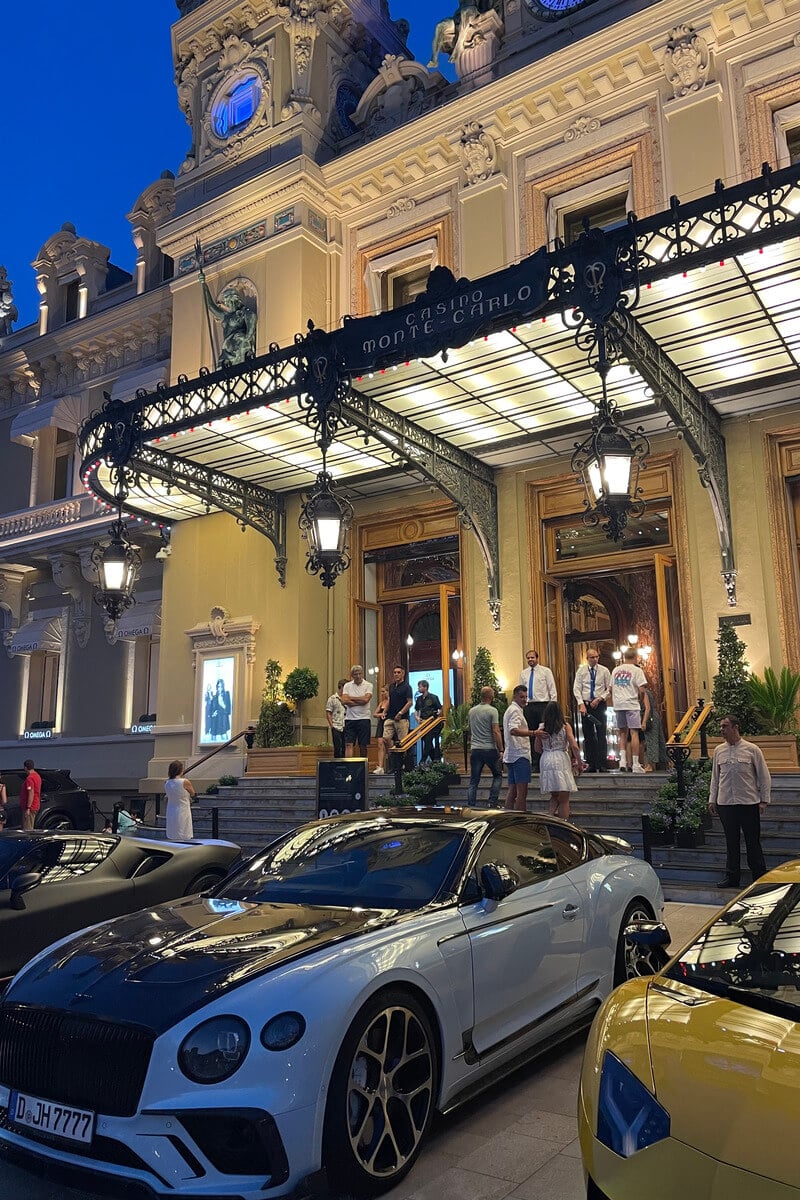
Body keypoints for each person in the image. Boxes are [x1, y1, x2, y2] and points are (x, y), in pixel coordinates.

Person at [709, 714, 770, 888]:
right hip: (726, 804)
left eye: (725, 726)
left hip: (748, 802)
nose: (722, 730)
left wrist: (764, 800)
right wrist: (712, 799)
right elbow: (715, 777)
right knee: (731, 842)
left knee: (752, 841)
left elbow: (764, 777)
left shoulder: (752, 749)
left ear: (735, 727)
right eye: (721, 727)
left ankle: (758, 876)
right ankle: (732, 876)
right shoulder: (719, 750)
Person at [534, 701, 582, 821]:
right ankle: (563, 825)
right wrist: (579, 762)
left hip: (546, 758)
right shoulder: (565, 726)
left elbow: (537, 748)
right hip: (560, 758)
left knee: (555, 795)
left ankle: (549, 819)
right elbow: (574, 746)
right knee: (564, 798)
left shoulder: (541, 728)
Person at [572, 648, 612, 772]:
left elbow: (609, 688)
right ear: (587, 658)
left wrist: (600, 698)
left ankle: (602, 763)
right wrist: (581, 704)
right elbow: (576, 688)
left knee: (601, 733)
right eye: (592, 657)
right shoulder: (581, 671)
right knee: (588, 734)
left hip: (599, 705)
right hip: (586, 705)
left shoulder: (604, 670)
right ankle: (591, 763)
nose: (595, 659)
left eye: (596, 657)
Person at [610, 648, 648, 773]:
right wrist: (640, 700)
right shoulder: (637, 670)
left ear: (624, 657)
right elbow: (642, 689)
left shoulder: (615, 670)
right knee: (634, 733)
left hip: (619, 704)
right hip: (631, 704)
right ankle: (636, 764)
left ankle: (622, 761)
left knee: (622, 733)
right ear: (635, 657)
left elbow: (610, 689)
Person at [520, 649, 557, 770]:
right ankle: (534, 763)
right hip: (529, 706)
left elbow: (552, 688)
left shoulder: (545, 671)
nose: (530, 660)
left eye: (532, 657)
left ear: (537, 658)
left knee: (543, 733)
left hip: (543, 705)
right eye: (528, 658)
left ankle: (544, 761)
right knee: (531, 733)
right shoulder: (523, 673)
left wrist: (553, 706)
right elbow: (521, 690)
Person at [467, 686, 504, 806]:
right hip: (489, 748)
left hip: (475, 748)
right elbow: (496, 731)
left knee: (474, 780)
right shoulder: (492, 711)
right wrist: (501, 749)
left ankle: (471, 805)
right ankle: (491, 802)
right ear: (490, 697)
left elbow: (470, 729)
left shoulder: (472, 711)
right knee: (497, 775)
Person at [503, 684, 536, 812]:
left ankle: (507, 817)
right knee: (522, 793)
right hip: (519, 755)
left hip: (511, 755)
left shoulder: (510, 710)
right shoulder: (515, 710)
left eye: (526, 697)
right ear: (515, 696)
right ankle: (520, 820)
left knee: (513, 790)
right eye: (521, 697)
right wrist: (533, 733)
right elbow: (513, 730)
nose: (524, 700)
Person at [380, 666, 413, 772]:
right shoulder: (391, 686)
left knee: (403, 742)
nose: (396, 674)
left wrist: (401, 712)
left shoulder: (407, 687)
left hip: (402, 719)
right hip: (390, 717)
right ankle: (394, 762)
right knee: (386, 738)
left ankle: (402, 765)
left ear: (402, 674)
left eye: (398, 672)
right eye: (394, 672)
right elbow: (389, 700)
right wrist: (384, 711)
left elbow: (410, 702)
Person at [342, 664, 373, 758]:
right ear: (352, 675)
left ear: (362, 674)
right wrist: (360, 701)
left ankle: (363, 767)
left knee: (363, 745)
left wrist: (350, 698)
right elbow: (344, 700)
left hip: (364, 718)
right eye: (355, 674)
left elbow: (366, 700)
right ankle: (349, 767)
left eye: (359, 673)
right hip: (350, 718)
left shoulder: (368, 685)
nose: (358, 676)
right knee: (348, 744)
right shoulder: (347, 686)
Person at [164, 760, 196, 842]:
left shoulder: (167, 782)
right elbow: (192, 793)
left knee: (173, 830)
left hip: (171, 808)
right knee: (183, 830)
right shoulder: (185, 781)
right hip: (183, 808)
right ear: (180, 770)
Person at [640, 684, 667, 772]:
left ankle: (650, 765)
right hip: (653, 716)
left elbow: (647, 708)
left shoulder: (645, 693)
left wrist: (644, 721)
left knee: (651, 741)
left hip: (650, 717)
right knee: (657, 740)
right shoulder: (647, 692)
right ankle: (660, 763)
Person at [415, 680, 443, 763]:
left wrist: (436, 716)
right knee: (427, 742)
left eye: (420, 687)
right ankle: (435, 759)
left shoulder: (434, 697)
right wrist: (417, 717)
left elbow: (440, 709)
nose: (418, 688)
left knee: (428, 741)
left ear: (425, 687)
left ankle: (422, 760)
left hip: (431, 723)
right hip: (423, 723)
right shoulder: (419, 699)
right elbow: (416, 710)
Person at [325, 678, 348, 759]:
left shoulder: (348, 699)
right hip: (336, 726)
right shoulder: (332, 699)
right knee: (337, 747)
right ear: (340, 687)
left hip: (346, 726)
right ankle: (337, 765)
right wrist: (332, 726)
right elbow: (328, 713)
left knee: (345, 747)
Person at [19, 759, 42, 832]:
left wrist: (28, 808)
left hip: (30, 807)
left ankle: (28, 842)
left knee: (27, 829)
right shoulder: (37, 776)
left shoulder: (30, 778)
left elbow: (31, 792)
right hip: (35, 804)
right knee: (29, 826)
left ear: (25, 768)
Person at [373, 686, 390, 773]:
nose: (382, 694)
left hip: (389, 723)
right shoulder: (382, 703)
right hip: (381, 723)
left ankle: (391, 765)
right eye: (381, 692)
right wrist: (381, 714)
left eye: (383, 691)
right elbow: (375, 714)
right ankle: (380, 767)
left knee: (389, 744)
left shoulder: (391, 701)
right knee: (380, 743)